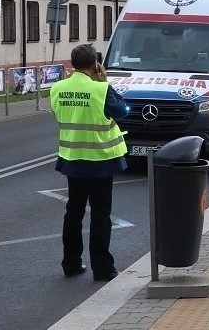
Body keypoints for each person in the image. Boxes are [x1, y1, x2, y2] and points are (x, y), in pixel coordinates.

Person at [49, 44, 129, 282]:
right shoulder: (100, 90)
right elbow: (123, 110)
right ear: (95, 64)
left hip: (72, 158)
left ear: (72, 63)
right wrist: (104, 84)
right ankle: (102, 268)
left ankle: (71, 263)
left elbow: (58, 113)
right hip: (101, 160)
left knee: (73, 213)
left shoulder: (58, 88)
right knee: (100, 216)